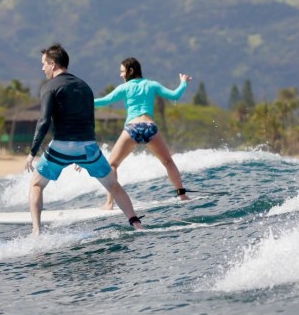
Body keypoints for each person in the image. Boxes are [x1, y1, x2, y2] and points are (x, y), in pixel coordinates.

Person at [24, 44, 144, 235]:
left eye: (44, 64)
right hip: (88, 147)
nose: (42, 68)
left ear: (53, 64)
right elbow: (89, 119)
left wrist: (32, 152)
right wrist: (83, 154)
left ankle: (36, 232)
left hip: (61, 147)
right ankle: (137, 224)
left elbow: (44, 121)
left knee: (36, 184)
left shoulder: (49, 87)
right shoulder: (85, 86)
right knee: (112, 185)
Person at [94, 57, 192, 209]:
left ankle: (109, 203)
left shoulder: (124, 88)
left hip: (132, 128)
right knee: (168, 162)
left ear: (131, 71)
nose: (121, 75)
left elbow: (104, 101)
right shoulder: (152, 84)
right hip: (150, 127)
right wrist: (184, 82)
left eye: (122, 71)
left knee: (112, 165)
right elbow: (175, 95)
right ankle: (182, 194)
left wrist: (82, 100)